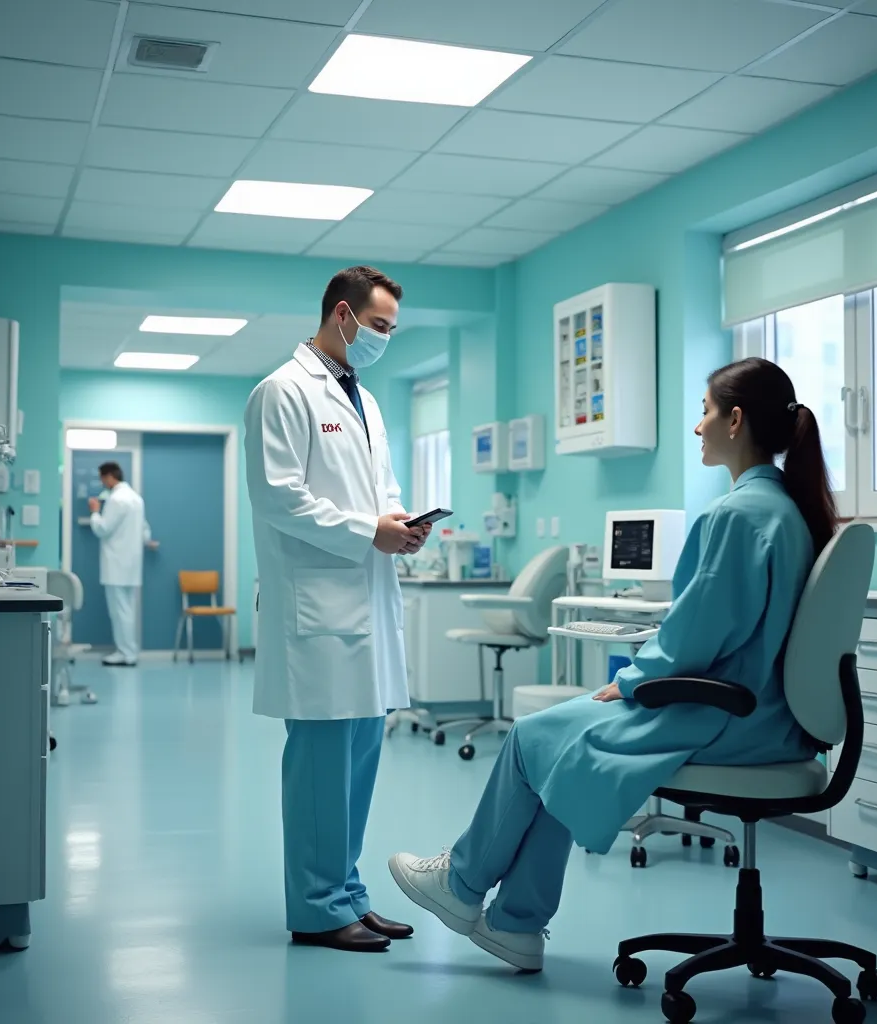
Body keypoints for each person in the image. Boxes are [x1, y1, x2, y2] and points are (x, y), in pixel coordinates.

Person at [389, 357, 838, 972]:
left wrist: (629, 679)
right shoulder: (784, 509)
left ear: (736, 420)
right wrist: (645, 669)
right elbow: (714, 627)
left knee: (533, 734)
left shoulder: (738, 515)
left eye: (705, 412)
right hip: (759, 714)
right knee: (560, 740)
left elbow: (693, 640)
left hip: (723, 716)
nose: (698, 426)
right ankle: (515, 921)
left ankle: (467, 888)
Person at [244, 266, 433, 954]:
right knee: (321, 768)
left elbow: (376, 492)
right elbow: (279, 498)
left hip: (367, 602)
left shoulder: (364, 400)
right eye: (380, 327)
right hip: (319, 614)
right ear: (344, 315)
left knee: (357, 765)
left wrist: (402, 525)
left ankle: (347, 894)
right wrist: (367, 532)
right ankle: (317, 909)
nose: (385, 339)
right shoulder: (283, 392)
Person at [89, 461, 152, 667]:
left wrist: (95, 512)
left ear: (108, 477)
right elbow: (144, 528)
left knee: (119, 610)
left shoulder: (116, 499)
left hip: (116, 563)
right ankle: (128, 651)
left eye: (102, 479)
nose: (102, 483)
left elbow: (103, 529)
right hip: (132, 564)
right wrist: (147, 540)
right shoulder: (136, 498)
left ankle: (126, 653)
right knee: (128, 609)